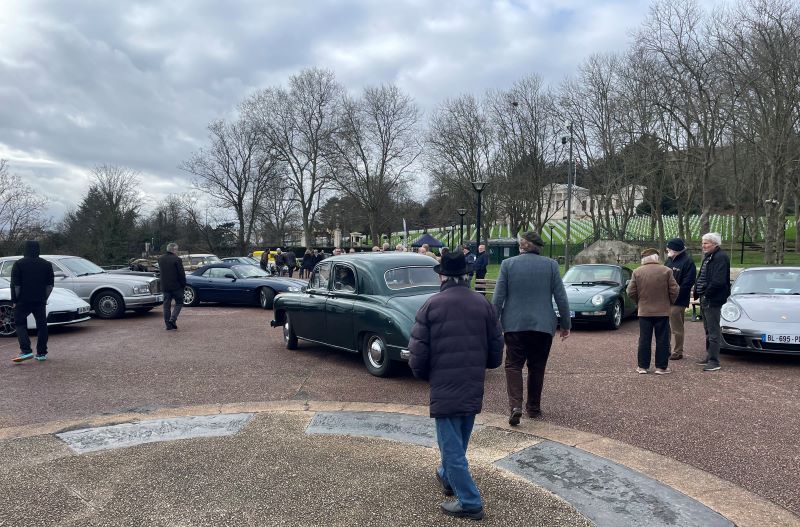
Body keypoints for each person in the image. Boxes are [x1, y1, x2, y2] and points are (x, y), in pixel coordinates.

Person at [409, 251, 504, 521]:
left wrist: (423, 375)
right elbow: (497, 347)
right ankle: (446, 476)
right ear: (466, 275)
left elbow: (418, 351)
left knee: (451, 447)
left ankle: (470, 501)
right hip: (472, 380)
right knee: (459, 440)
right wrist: (485, 364)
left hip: (444, 382)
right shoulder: (482, 304)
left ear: (442, 276)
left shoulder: (431, 305)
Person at [492, 232, 570, 424]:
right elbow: (561, 297)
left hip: (514, 324)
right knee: (537, 367)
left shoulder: (507, 265)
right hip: (543, 325)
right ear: (538, 247)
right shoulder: (551, 265)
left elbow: (498, 297)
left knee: (513, 365)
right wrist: (566, 324)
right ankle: (533, 408)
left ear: (521, 246)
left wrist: (493, 322)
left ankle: (516, 405)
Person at [627, 248, 679, 374]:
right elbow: (675, 290)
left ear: (643, 259)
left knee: (644, 339)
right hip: (662, 311)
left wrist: (639, 302)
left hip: (644, 311)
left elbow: (630, 291)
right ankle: (661, 367)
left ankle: (642, 367)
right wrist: (669, 302)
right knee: (662, 339)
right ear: (656, 258)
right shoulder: (666, 271)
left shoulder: (637, 272)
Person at [10, 240, 54, 363]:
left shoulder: (19, 264)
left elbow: (15, 285)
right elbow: (50, 285)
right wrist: (44, 297)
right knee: (42, 325)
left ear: (25, 249)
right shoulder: (46, 264)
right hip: (39, 299)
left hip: (23, 300)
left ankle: (26, 351)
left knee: (20, 324)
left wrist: (15, 300)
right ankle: (41, 353)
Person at [693, 233, 730, 372]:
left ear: (715, 244)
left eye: (706, 243)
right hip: (705, 297)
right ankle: (709, 356)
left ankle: (714, 361)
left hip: (713, 299)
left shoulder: (720, 257)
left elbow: (718, 281)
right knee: (707, 329)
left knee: (714, 330)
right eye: (703, 243)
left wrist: (707, 294)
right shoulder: (709, 257)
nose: (703, 245)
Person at [664, 238, 696, 360]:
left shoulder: (688, 262)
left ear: (675, 249)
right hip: (666, 300)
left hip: (678, 300)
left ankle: (678, 351)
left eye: (669, 248)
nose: (667, 250)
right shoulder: (669, 261)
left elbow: (688, 283)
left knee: (676, 327)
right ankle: (665, 349)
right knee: (665, 326)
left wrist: (675, 294)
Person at [158, 242, 186, 331]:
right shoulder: (177, 259)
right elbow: (181, 274)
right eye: (176, 249)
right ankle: (173, 319)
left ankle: (168, 325)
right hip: (176, 286)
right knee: (179, 303)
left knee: (166, 306)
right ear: (173, 250)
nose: (177, 251)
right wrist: (183, 284)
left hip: (165, 286)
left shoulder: (160, 259)